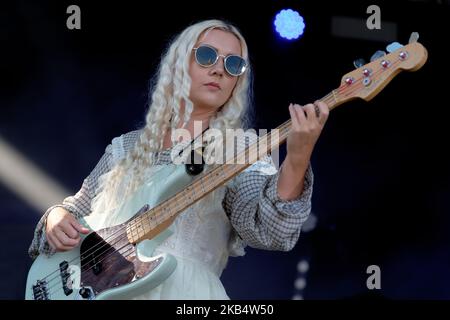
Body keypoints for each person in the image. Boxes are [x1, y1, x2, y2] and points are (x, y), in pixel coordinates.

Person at [28, 19, 329, 299]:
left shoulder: (241, 148)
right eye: (207, 56)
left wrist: (298, 158)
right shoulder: (126, 147)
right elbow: (75, 209)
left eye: (234, 64)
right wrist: (56, 217)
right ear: (177, 65)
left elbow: (271, 231)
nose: (220, 70)